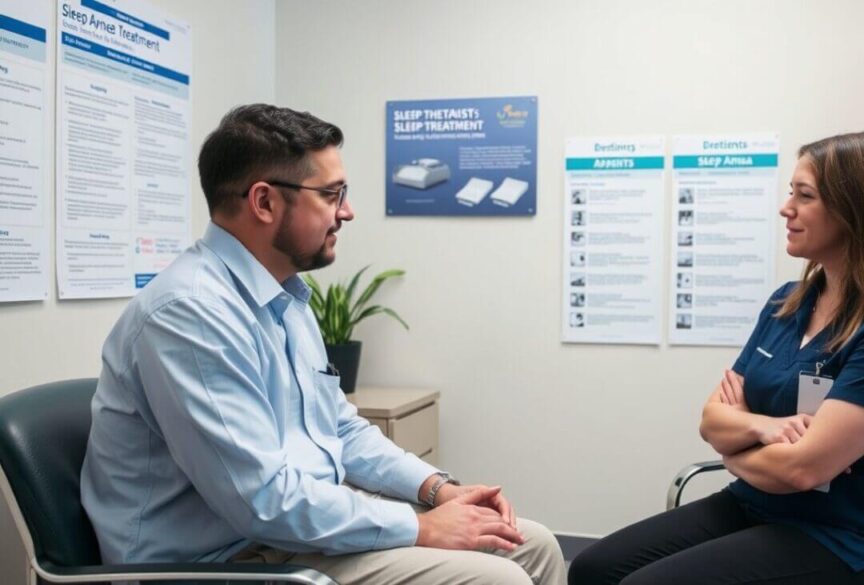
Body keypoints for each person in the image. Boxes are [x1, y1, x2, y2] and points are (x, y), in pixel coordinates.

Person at [81, 104, 566, 585]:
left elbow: (339, 428)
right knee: (498, 578)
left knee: (533, 545)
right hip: (219, 563)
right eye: (332, 194)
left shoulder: (284, 296)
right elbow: (263, 501)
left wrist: (437, 490)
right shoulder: (192, 313)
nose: (347, 212)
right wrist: (420, 526)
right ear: (265, 202)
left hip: (286, 537)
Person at [568, 131, 864, 585]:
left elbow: (803, 467)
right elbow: (712, 419)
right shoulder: (789, 302)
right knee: (592, 569)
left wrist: (734, 453)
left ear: (858, 210)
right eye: (790, 192)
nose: (785, 208)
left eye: (804, 195)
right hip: (762, 502)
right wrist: (762, 428)